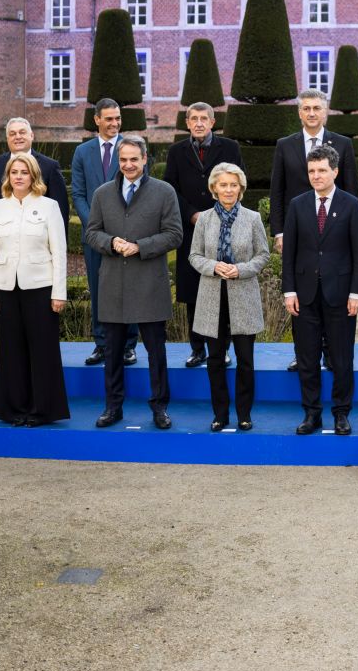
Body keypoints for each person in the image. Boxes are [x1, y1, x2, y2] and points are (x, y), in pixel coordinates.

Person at [84, 135, 183, 430]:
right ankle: (113, 407)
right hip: (113, 283)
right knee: (112, 352)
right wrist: (111, 242)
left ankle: (159, 407)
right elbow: (91, 233)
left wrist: (140, 246)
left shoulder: (164, 192)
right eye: (123, 160)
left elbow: (174, 234)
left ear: (144, 159)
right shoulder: (102, 194)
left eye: (133, 160)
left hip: (149, 283)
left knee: (156, 351)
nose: (128, 165)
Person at [281, 146, 358, 436]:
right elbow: (289, 253)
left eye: (321, 170)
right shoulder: (297, 204)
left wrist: (357, 293)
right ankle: (311, 414)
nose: (316, 176)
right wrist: (288, 290)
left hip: (341, 295)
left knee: (342, 358)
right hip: (304, 295)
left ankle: (341, 413)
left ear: (335, 172)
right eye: (311, 171)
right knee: (306, 358)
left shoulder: (352, 205)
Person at [0, 151, 70, 426]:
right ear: (8, 176)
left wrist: (59, 293)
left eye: (24, 172)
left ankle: (42, 410)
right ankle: (13, 409)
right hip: (4, 288)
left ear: (34, 176)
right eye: (14, 172)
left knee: (43, 350)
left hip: (41, 287)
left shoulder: (49, 206)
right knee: (9, 351)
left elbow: (60, 252)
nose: (19, 177)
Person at [268, 89, 357, 370]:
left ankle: (331, 354)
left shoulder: (343, 144)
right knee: (302, 295)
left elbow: (351, 192)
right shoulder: (285, 144)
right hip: (299, 233)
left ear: (325, 111)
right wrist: (279, 232)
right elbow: (277, 191)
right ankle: (303, 353)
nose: (311, 113)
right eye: (306, 108)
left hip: (334, 234)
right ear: (299, 112)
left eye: (316, 108)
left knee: (332, 294)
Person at [187, 162, 270, 432]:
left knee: (246, 360)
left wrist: (240, 269)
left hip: (243, 295)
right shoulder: (204, 220)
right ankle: (220, 415)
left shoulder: (253, 218)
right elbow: (194, 255)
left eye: (234, 184)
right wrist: (213, 267)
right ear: (214, 188)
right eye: (223, 185)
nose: (229, 189)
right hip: (212, 297)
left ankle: (244, 414)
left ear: (241, 188)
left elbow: (263, 256)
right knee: (214, 360)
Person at [164, 101, 240, 370]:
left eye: (203, 118)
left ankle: (223, 349)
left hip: (224, 227)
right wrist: (193, 215)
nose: (198, 123)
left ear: (212, 122)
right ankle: (197, 349)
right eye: (193, 118)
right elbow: (170, 189)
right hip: (190, 229)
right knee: (194, 291)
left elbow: (237, 184)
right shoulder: (176, 152)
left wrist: (217, 214)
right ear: (187, 123)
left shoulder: (229, 148)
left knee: (223, 290)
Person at [72, 99, 136, 368]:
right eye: (109, 119)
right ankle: (101, 344)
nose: (114, 123)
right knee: (98, 291)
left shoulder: (131, 149)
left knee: (129, 289)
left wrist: (123, 231)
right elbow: (78, 193)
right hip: (95, 238)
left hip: (127, 236)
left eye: (118, 118)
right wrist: (95, 227)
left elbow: (139, 190)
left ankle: (129, 346)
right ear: (96, 119)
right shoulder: (82, 152)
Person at [0, 117, 69, 237]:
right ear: (7, 138)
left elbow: (60, 208)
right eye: (12, 133)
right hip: (2, 236)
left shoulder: (50, 166)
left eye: (22, 132)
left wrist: (60, 241)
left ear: (32, 135)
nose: (17, 137)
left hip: (38, 238)